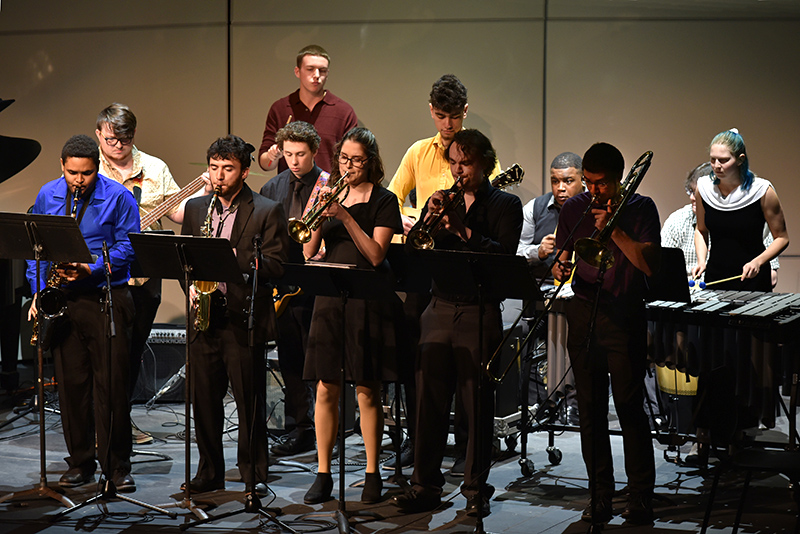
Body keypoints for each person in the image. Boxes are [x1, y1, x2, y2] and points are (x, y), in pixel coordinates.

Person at [394, 129, 523, 517]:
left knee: (475, 407)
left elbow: (502, 256)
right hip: (438, 307)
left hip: (478, 312)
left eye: (464, 162)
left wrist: (460, 229)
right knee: (428, 403)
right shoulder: (444, 200)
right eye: (453, 162)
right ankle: (425, 487)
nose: (457, 169)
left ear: (484, 162)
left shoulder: (505, 204)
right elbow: (418, 246)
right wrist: (428, 218)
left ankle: (474, 489)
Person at [386, 74, 498, 473]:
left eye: (452, 116)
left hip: (465, 270)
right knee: (423, 366)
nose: (446, 125)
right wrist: (418, 220)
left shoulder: (480, 153)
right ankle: (421, 445)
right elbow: (391, 198)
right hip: (424, 268)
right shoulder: (418, 152)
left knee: (468, 374)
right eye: (439, 116)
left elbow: (488, 205)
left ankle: (467, 452)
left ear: (465, 112)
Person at [551, 143, 661, 525]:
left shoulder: (641, 208)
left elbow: (648, 265)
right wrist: (559, 265)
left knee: (630, 409)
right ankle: (600, 494)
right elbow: (563, 261)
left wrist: (612, 231)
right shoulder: (572, 208)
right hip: (584, 311)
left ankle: (641, 497)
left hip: (624, 313)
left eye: (602, 184)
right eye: (590, 183)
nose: (595, 191)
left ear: (618, 179)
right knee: (590, 411)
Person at [26, 134, 140, 491]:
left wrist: (91, 268)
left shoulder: (118, 197)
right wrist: (37, 291)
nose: (78, 181)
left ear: (97, 169)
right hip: (63, 299)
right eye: (72, 173)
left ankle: (117, 466)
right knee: (72, 386)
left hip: (104, 297)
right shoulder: (48, 194)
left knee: (111, 387)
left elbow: (130, 246)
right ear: (62, 166)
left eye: (86, 174)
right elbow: (37, 247)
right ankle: (80, 462)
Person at [95, 102, 212, 444]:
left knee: (131, 351)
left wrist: (201, 194)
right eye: (112, 139)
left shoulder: (154, 168)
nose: (118, 145)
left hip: (144, 274)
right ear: (99, 133)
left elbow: (176, 212)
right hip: (101, 274)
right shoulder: (92, 168)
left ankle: (122, 419)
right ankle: (99, 421)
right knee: (105, 352)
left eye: (125, 139)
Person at [180, 135, 289, 496]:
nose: (219, 175)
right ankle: (209, 471)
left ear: (244, 171)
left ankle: (253, 471)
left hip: (243, 318)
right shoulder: (197, 208)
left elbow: (276, 264)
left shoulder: (266, 210)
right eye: (213, 168)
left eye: (227, 169)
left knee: (249, 401)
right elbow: (185, 262)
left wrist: (230, 258)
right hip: (204, 318)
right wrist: (192, 287)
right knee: (204, 402)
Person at [301, 127, 402, 505]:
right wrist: (315, 212)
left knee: (366, 389)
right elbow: (309, 249)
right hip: (331, 297)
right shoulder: (330, 194)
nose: (349, 166)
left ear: (371, 162)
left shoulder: (383, 200)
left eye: (357, 160)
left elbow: (376, 254)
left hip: (367, 298)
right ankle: (324, 473)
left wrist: (343, 215)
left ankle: (373, 473)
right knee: (326, 387)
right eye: (344, 159)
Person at [259, 121, 324, 456]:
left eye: (301, 154)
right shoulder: (272, 187)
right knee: (291, 361)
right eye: (288, 154)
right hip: (284, 287)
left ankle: (332, 430)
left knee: (323, 362)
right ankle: (300, 428)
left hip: (319, 287)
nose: (294, 161)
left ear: (314, 151)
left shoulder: (327, 185)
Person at [517, 151, 584, 424]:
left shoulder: (594, 209)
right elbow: (516, 250)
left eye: (568, 181)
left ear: (583, 180)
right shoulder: (535, 208)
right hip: (543, 293)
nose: (561, 188)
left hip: (581, 294)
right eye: (555, 181)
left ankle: (575, 403)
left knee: (578, 341)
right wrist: (538, 252)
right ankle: (538, 402)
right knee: (525, 338)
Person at [690, 130, 788, 292]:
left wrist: (758, 262)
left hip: (752, 278)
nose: (716, 166)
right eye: (712, 160)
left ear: (740, 160)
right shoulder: (704, 188)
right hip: (716, 276)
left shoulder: (762, 191)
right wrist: (701, 260)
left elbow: (782, 238)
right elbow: (701, 230)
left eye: (723, 160)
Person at [661, 161, 779, 286]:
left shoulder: (749, 221)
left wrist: (753, 270)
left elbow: (772, 277)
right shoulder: (676, 221)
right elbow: (661, 268)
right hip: (689, 297)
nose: (692, 197)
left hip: (735, 293)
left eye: (697, 193)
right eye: (690, 191)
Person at [258, 44, 357, 175]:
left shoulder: (343, 111)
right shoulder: (280, 108)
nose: (316, 75)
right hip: (290, 191)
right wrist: (272, 156)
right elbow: (265, 164)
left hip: (329, 191)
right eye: (310, 69)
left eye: (322, 70)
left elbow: (354, 159)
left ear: (327, 73)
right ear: (297, 72)